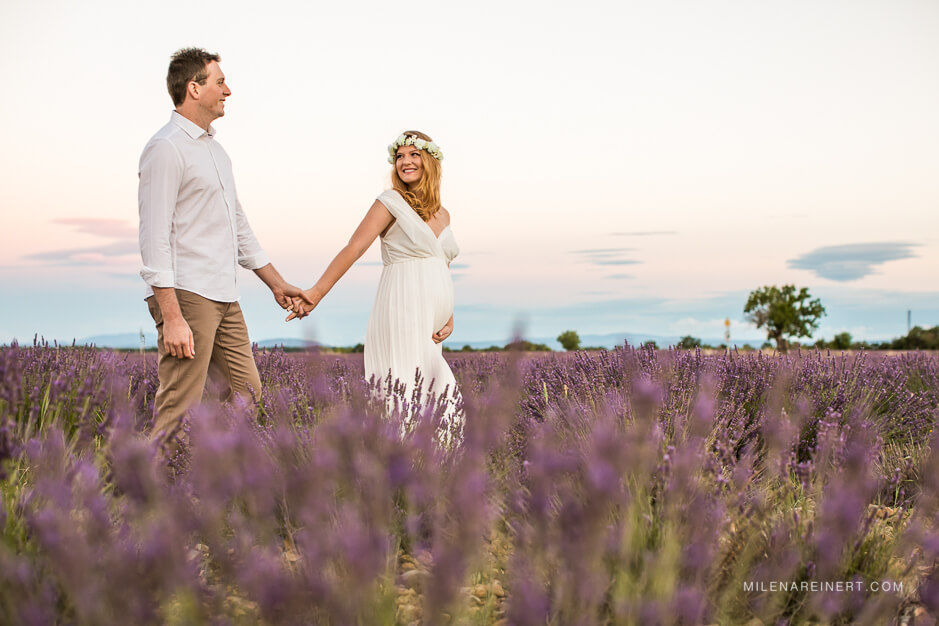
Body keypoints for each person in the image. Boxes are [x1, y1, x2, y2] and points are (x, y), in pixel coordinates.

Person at [138, 47, 311, 449]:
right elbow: (153, 238)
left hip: (224, 294)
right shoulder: (166, 147)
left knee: (246, 393)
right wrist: (172, 315)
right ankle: (155, 493)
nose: (228, 90)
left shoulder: (215, 151)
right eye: (220, 82)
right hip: (187, 293)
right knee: (179, 404)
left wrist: (276, 284)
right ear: (194, 88)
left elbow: (238, 226)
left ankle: (206, 475)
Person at [288, 131, 463, 442]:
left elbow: (442, 264)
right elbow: (354, 248)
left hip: (431, 321)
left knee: (435, 393)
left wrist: (448, 315)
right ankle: (397, 471)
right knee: (405, 388)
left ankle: (435, 475)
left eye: (413, 154)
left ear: (431, 160)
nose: (405, 162)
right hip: (401, 307)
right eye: (399, 157)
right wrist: (316, 292)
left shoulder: (444, 214)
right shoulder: (389, 203)